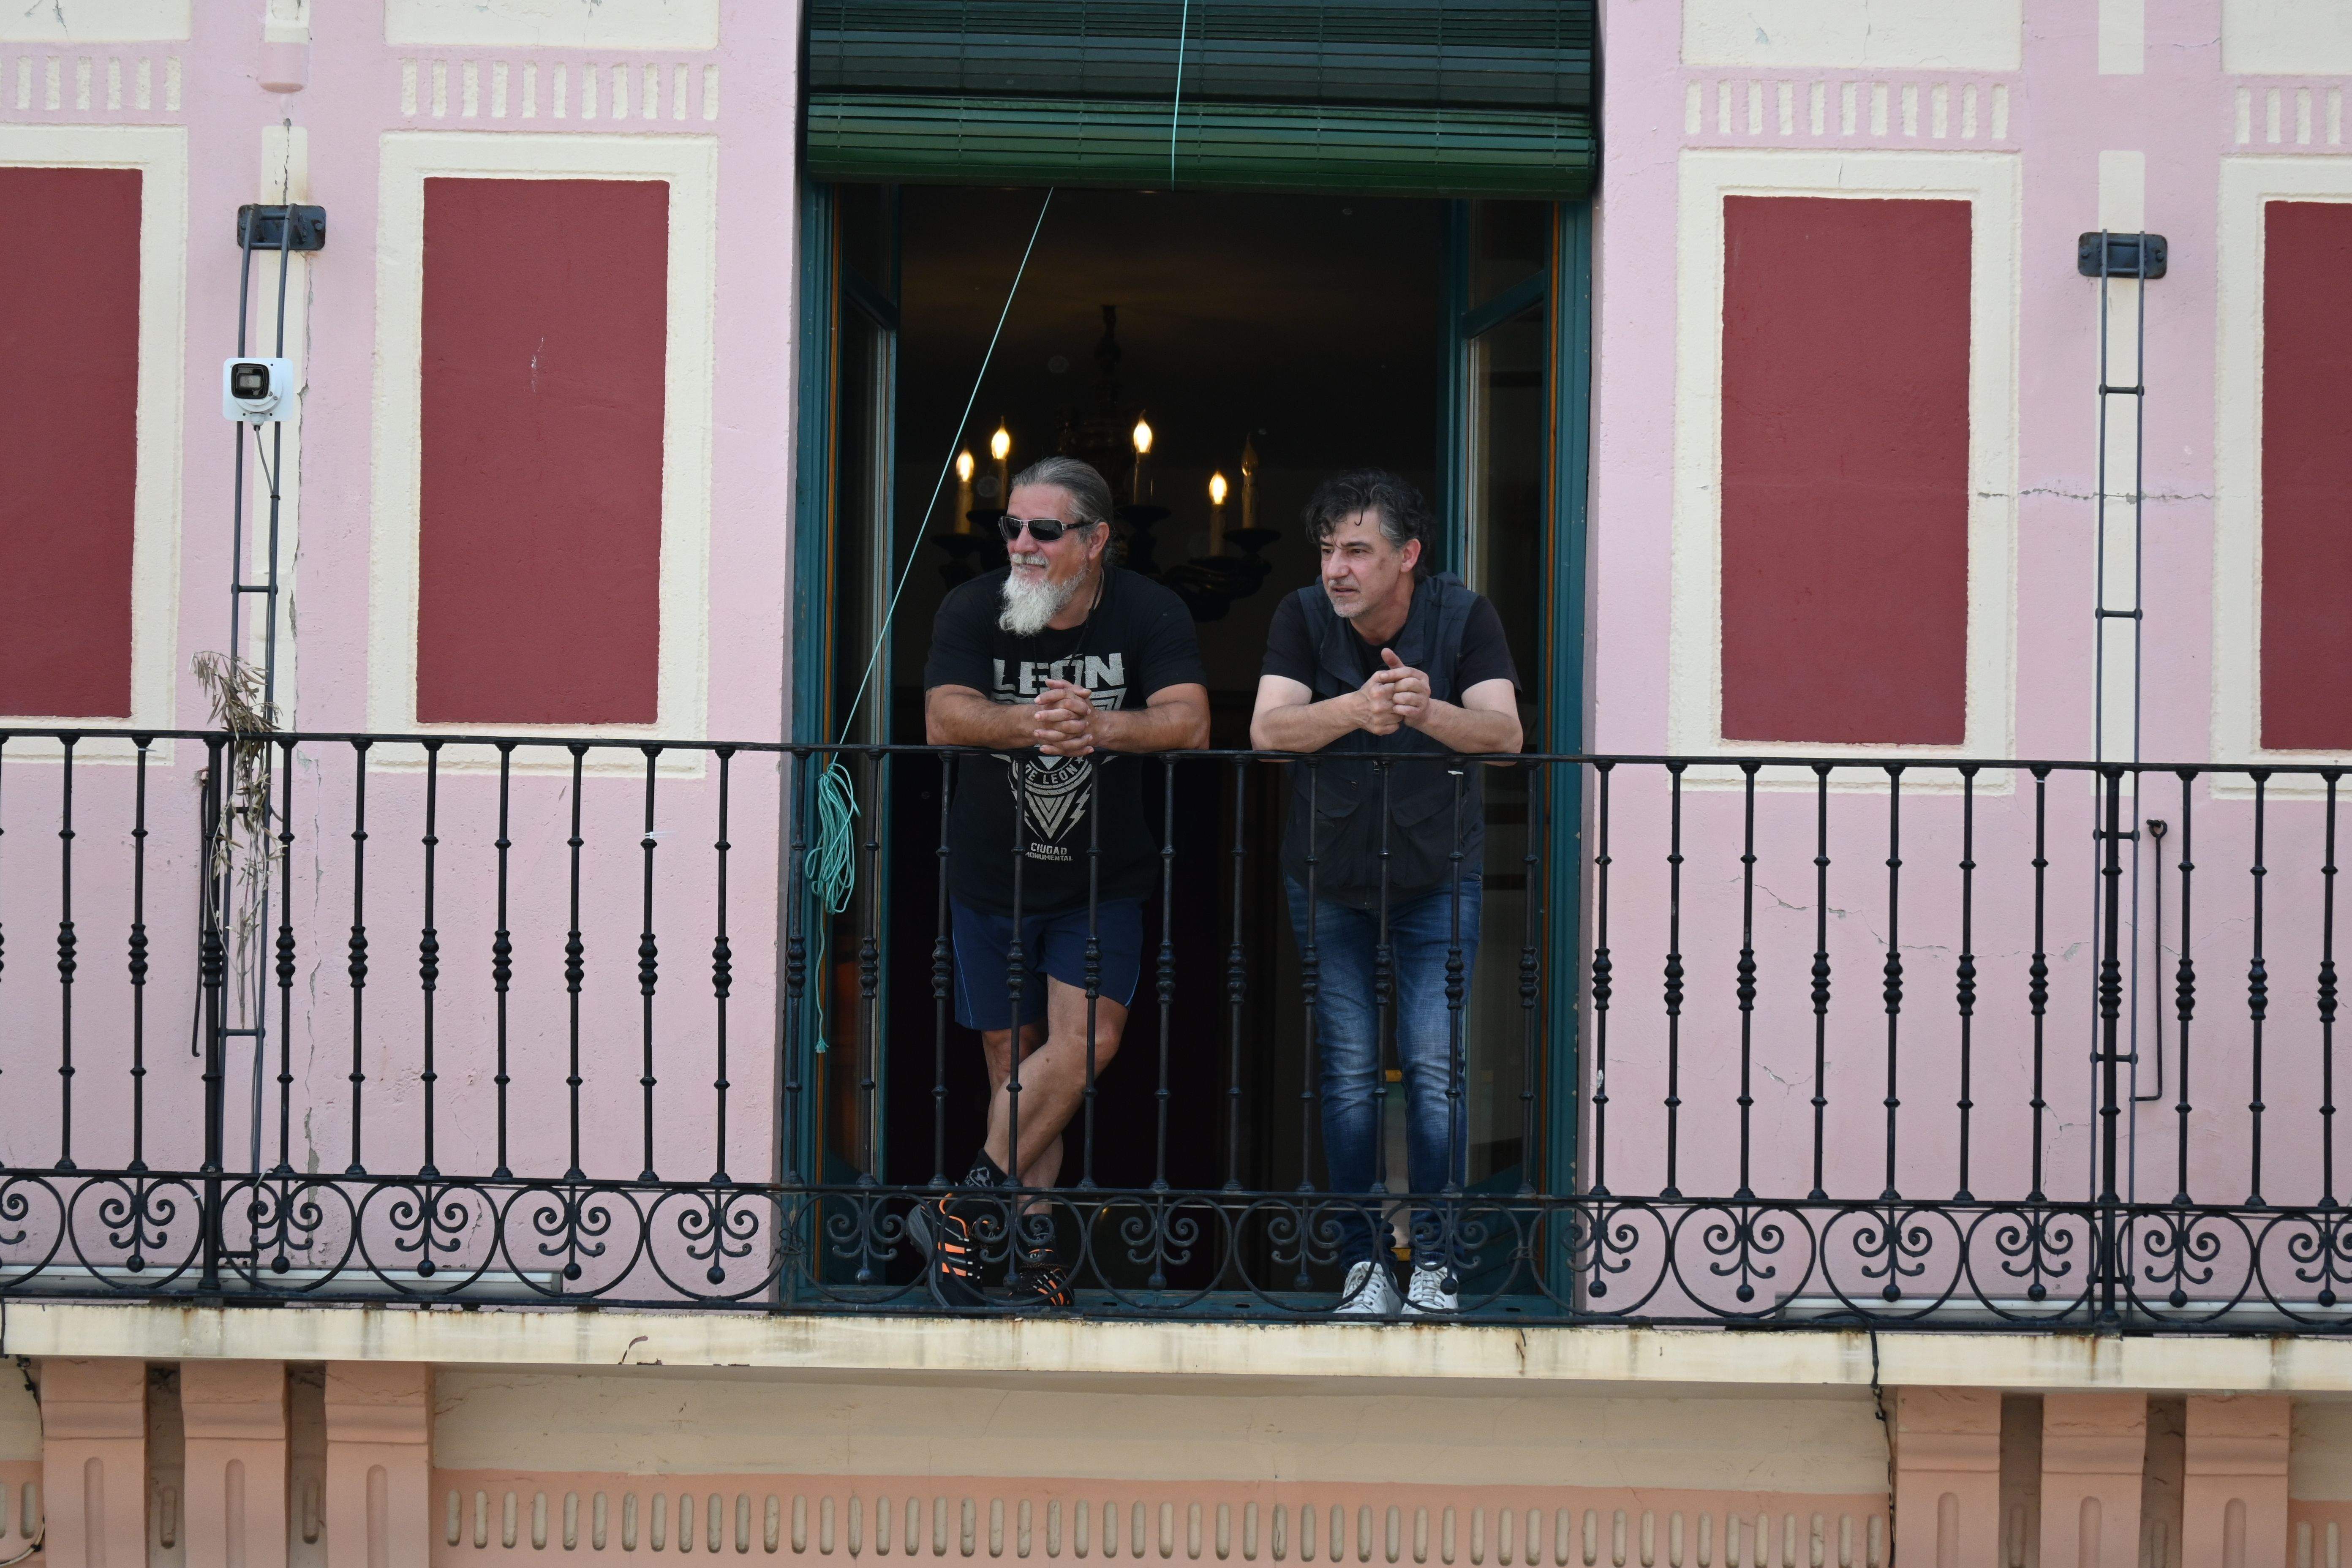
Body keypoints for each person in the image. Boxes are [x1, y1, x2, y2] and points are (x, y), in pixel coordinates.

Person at [916, 454, 1210, 1310]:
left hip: (1100, 880)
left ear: (1095, 539)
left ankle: (958, 1208)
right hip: (987, 877)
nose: (1023, 543)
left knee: (1083, 1048)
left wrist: (1102, 723)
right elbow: (942, 718)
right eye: (1012, 526)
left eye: (1044, 530)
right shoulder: (973, 605)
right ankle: (1028, 1243)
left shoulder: (1150, 609)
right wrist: (1036, 722)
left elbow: (1191, 720)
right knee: (1016, 1061)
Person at [1250, 471, 1522, 1316]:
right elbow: (1267, 731)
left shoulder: (1463, 615)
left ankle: (1436, 1262)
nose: (1336, 568)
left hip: (1438, 874)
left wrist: (1425, 708)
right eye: (1328, 549)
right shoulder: (1300, 616)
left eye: (1357, 550)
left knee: (1435, 1069)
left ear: (1407, 556)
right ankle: (1364, 1265)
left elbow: (1505, 734)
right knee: (1349, 1074)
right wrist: (1355, 708)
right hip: (1329, 876)